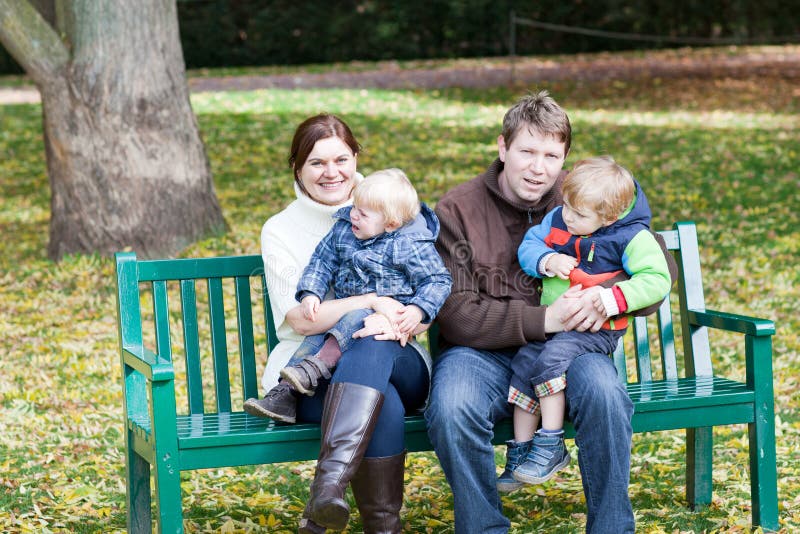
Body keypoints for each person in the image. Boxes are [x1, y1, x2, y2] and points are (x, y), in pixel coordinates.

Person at [424, 91, 677, 534]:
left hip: (570, 348)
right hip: (480, 351)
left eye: (551, 155)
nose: (538, 168)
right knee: (451, 405)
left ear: (565, 159)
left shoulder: (585, 198)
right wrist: (546, 319)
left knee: (604, 393)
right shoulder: (457, 211)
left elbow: (654, 277)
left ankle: (612, 528)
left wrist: (603, 297)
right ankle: (484, 527)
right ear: (503, 148)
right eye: (526, 151)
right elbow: (457, 314)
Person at [244, 114, 434, 534]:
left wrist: (413, 315)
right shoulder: (280, 229)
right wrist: (370, 302)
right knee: (379, 391)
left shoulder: (394, 204)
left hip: (400, 356)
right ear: (296, 168)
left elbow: (432, 283)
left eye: (341, 159)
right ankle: (383, 527)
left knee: (374, 341)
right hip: (311, 376)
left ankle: (323, 497)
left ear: (355, 158)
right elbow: (300, 319)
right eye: (316, 163)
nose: (331, 173)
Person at [504, 155, 672, 488]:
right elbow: (531, 243)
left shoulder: (631, 238)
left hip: (595, 331)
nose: (566, 216)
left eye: (578, 214)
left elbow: (657, 278)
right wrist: (546, 258)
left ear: (608, 216)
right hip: (555, 325)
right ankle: (521, 453)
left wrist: (611, 300)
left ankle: (550, 443)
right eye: (566, 206)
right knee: (524, 364)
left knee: (548, 362)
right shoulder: (560, 218)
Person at [245, 168, 451, 423]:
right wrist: (311, 292)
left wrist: (417, 310)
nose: (353, 214)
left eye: (362, 213)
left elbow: (437, 280)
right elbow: (321, 262)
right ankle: (286, 390)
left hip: (388, 336)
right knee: (324, 339)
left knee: (357, 320)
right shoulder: (344, 231)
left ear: (391, 224)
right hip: (344, 326)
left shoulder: (409, 244)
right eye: (355, 207)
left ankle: (303, 378)